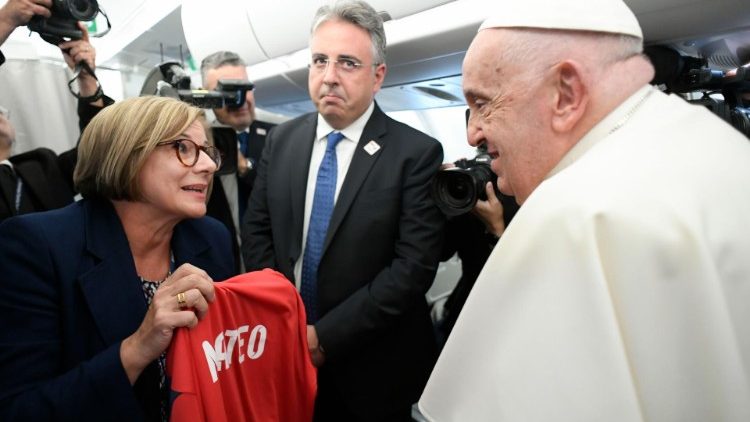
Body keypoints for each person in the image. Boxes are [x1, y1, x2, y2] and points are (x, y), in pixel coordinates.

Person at [419, 0, 750, 420]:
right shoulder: (715, 144)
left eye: (483, 104)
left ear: (567, 93)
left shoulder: (573, 211)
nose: (472, 134)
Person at [241, 1, 445, 420]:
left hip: (377, 365)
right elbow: (258, 233)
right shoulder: (282, 141)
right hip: (288, 352)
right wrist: (283, 319)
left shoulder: (415, 153)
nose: (329, 77)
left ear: (378, 77)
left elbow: (413, 268)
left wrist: (323, 337)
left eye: (348, 63)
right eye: (320, 61)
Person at [0, 96, 235, 421]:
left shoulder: (211, 238)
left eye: (207, 151)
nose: (208, 165)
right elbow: (20, 410)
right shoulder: (38, 247)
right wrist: (138, 347)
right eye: (183, 148)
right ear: (128, 155)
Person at [200, 51, 275, 272]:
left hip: (268, 265)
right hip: (218, 267)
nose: (239, 100)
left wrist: (245, 167)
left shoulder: (277, 136)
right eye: (228, 91)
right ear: (207, 96)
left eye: (245, 88)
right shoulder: (196, 144)